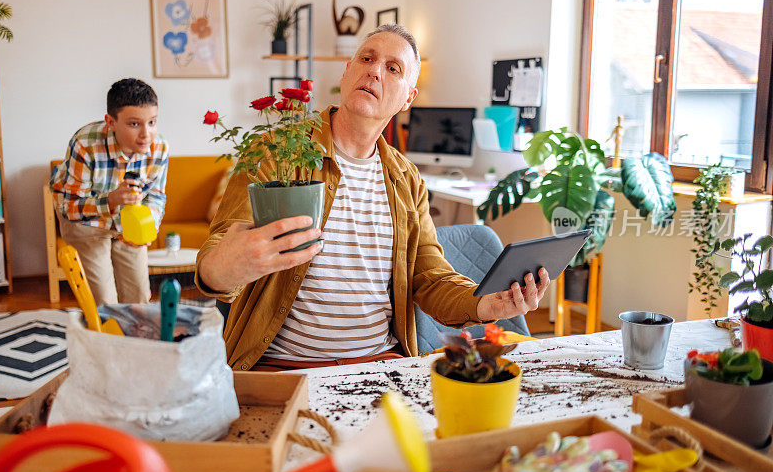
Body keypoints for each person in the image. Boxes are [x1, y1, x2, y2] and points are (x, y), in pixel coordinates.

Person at [197, 24, 550, 371]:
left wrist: (486, 304)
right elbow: (217, 257)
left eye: (392, 68)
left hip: (381, 366)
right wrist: (221, 269)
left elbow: (430, 279)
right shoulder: (276, 152)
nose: (374, 71)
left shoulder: (407, 179)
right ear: (347, 70)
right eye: (366, 59)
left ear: (408, 97)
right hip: (282, 368)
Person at [50, 78, 168, 305]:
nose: (146, 134)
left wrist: (150, 224)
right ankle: (103, 338)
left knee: (139, 299)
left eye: (152, 122)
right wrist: (112, 200)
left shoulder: (160, 147)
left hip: (129, 222)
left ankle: (133, 340)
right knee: (104, 301)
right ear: (111, 122)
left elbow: (156, 196)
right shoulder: (85, 143)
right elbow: (70, 209)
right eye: (134, 124)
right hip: (85, 221)